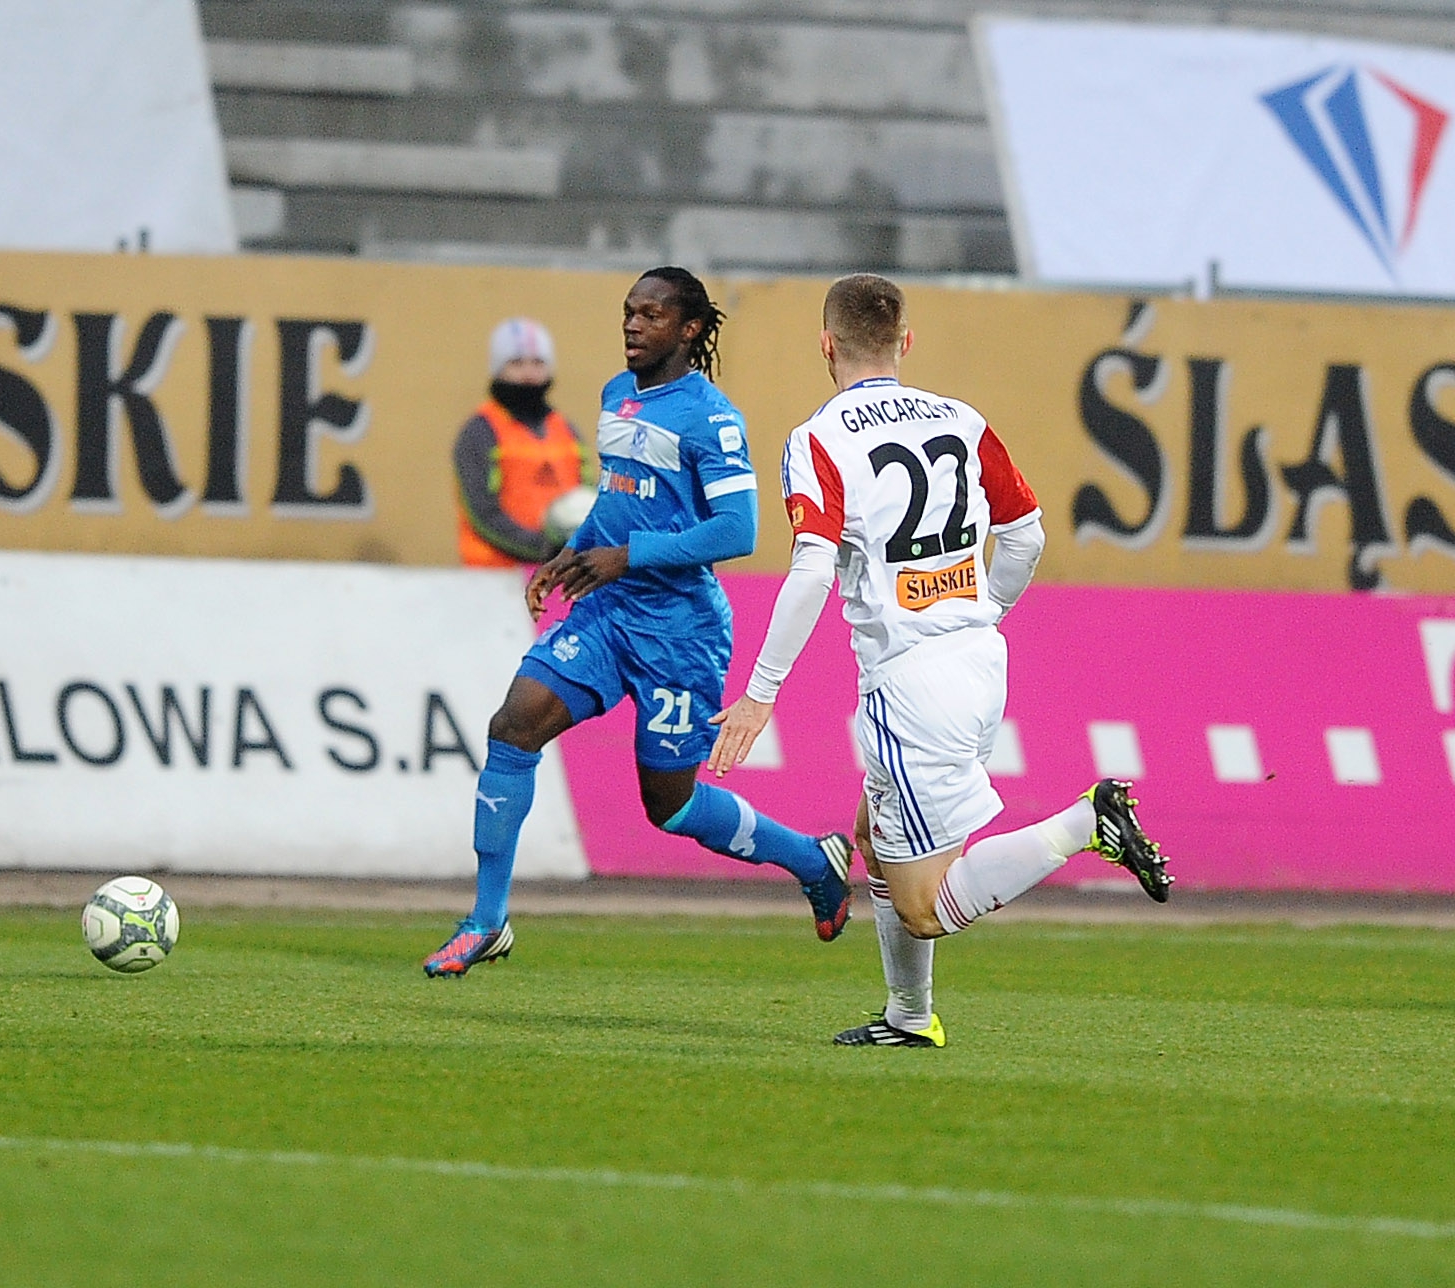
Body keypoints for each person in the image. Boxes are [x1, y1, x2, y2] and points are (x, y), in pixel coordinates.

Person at [707, 273, 1170, 1047]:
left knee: (925, 902)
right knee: (872, 832)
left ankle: (1087, 822)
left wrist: (760, 693)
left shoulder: (818, 439)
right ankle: (909, 1018)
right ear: (906, 343)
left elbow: (814, 568)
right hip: (980, 662)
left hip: (910, 684)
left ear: (826, 344)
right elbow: (1026, 535)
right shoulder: (962, 421)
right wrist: (981, 612)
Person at [423, 268, 855, 978]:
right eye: (628, 312)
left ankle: (812, 858)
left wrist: (629, 556)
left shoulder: (712, 418)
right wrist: (572, 551)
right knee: (514, 726)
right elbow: (618, 497)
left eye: (651, 315)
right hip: (607, 613)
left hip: (679, 634)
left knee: (670, 805)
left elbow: (737, 530)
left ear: (687, 330)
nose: (632, 325)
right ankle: (486, 920)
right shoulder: (616, 395)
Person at [454, 318, 591, 567]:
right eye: (516, 363)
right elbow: (482, 514)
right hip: (494, 578)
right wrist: (545, 549)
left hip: (557, 577)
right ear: (498, 369)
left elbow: (587, 496)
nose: (528, 374)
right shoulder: (480, 431)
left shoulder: (566, 429)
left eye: (538, 363)